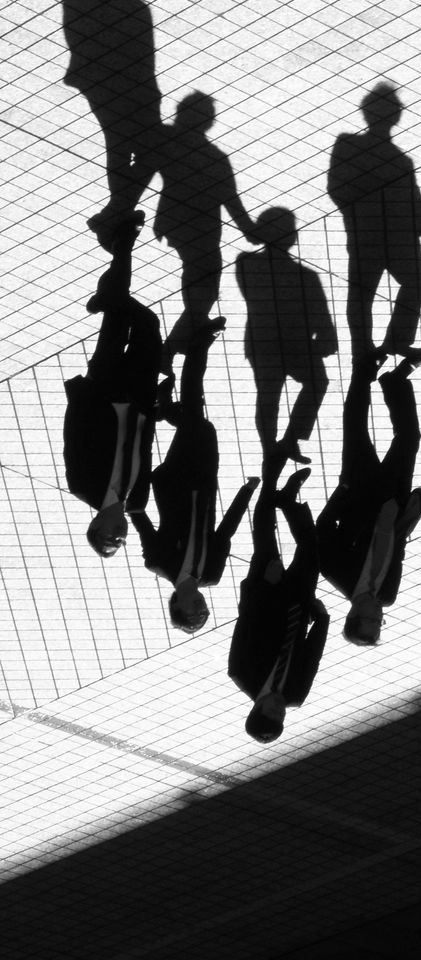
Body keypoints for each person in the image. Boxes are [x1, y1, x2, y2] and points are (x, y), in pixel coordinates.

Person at [129, 317, 259, 632]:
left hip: (174, 478)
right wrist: (246, 492)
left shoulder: (158, 562)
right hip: (204, 478)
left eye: (193, 612)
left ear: (176, 603)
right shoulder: (211, 573)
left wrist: (137, 478)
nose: (200, 607)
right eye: (203, 613)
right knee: (199, 423)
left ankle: (198, 345)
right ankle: (166, 407)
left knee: (196, 420)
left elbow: (138, 514)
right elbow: (224, 532)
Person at [63, 211, 162, 557]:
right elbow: (144, 450)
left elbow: (74, 435)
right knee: (149, 326)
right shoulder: (137, 500)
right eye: (120, 543)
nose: (119, 536)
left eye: (109, 538)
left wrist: (82, 393)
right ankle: (110, 287)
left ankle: (124, 243)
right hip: (138, 397)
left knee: (119, 319)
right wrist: (155, 410)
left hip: (102, 389)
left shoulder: (82, 486)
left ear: (95, 526)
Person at [316, 348, 421, 646]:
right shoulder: (388, 594)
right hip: (392, 498)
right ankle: (395, 381)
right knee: (409, 438)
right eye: (380, 623)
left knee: (355, 428)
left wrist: (343, 492)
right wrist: (405, 516)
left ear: (353, 614)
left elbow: (325, 525)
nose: (378, 615)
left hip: (360, 488)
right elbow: (398, 551)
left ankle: (363, 371)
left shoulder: (336, 572)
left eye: (371, 620)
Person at [327, 83, 421, 360]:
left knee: (374, 291)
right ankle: (375, 346)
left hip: (377, 235)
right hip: (383, 235)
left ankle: (379, 345)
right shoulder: (390, 158)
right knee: (370, 293)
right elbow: (338, 189)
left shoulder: (396, 160)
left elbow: (339, 189)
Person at [62, 0, 163, 239]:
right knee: (142, 146)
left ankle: (117, 209)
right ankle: (118, 209)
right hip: (119, 81)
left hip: (109, 80)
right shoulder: (118, 1)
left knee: (122, 144)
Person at [152, 91, 260, 369]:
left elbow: (229, 197)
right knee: (204, 283)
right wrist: (250, 230)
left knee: (201, 284)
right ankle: (176, 344)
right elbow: (230, 198)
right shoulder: (212, 156)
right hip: (200, 228)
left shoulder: (167, 141)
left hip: (180, 224)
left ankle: (181, 342)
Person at [229, 453, 329, 743]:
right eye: (280, 716)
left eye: (270, 712)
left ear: (256, 708)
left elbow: (246, 622)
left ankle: (270, 480)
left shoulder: (241, 674)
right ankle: (287, 500)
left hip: (265, 594)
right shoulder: (295, 695)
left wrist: (265, 586)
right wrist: (321, 619)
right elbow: (313, 657)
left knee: (264, 536)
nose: (279, 710)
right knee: (310, 548)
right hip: (298, 605)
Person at [234, 207, 338, 466]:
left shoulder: (247, 264)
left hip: (264, 340)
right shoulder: (305, 277)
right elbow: (320, 317)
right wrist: (324, 337)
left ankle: (274, 446)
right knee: (307, 385)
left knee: (270, 395)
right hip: (292, 343)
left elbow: (319, 316)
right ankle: (286, 441)